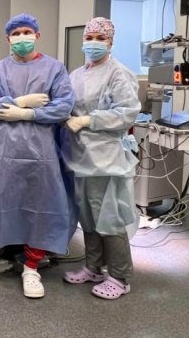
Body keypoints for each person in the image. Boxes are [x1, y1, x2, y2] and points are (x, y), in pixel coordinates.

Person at [0, 13, 75, 299]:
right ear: (8, 39)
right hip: (2, 152)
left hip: (40, 153)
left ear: (37, 35)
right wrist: (17, 102)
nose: (21, 38)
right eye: (16, 34)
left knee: (39, 206)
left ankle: (31, 267)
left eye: (27, 32)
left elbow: (64, 107)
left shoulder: (54, 68)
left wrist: (28, 114)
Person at [61, 17, 140, 300]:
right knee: (89, 217)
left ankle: (119, 277)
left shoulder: (118, 73)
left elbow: (127, 113)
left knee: (110, 218)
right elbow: (67, 104)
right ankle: (93, 267)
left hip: (106, 159)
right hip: (81, 156)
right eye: (89, 37)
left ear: (110, 42)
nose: (93, 42)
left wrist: (88, 120)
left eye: (100, 38)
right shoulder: (76, 74)